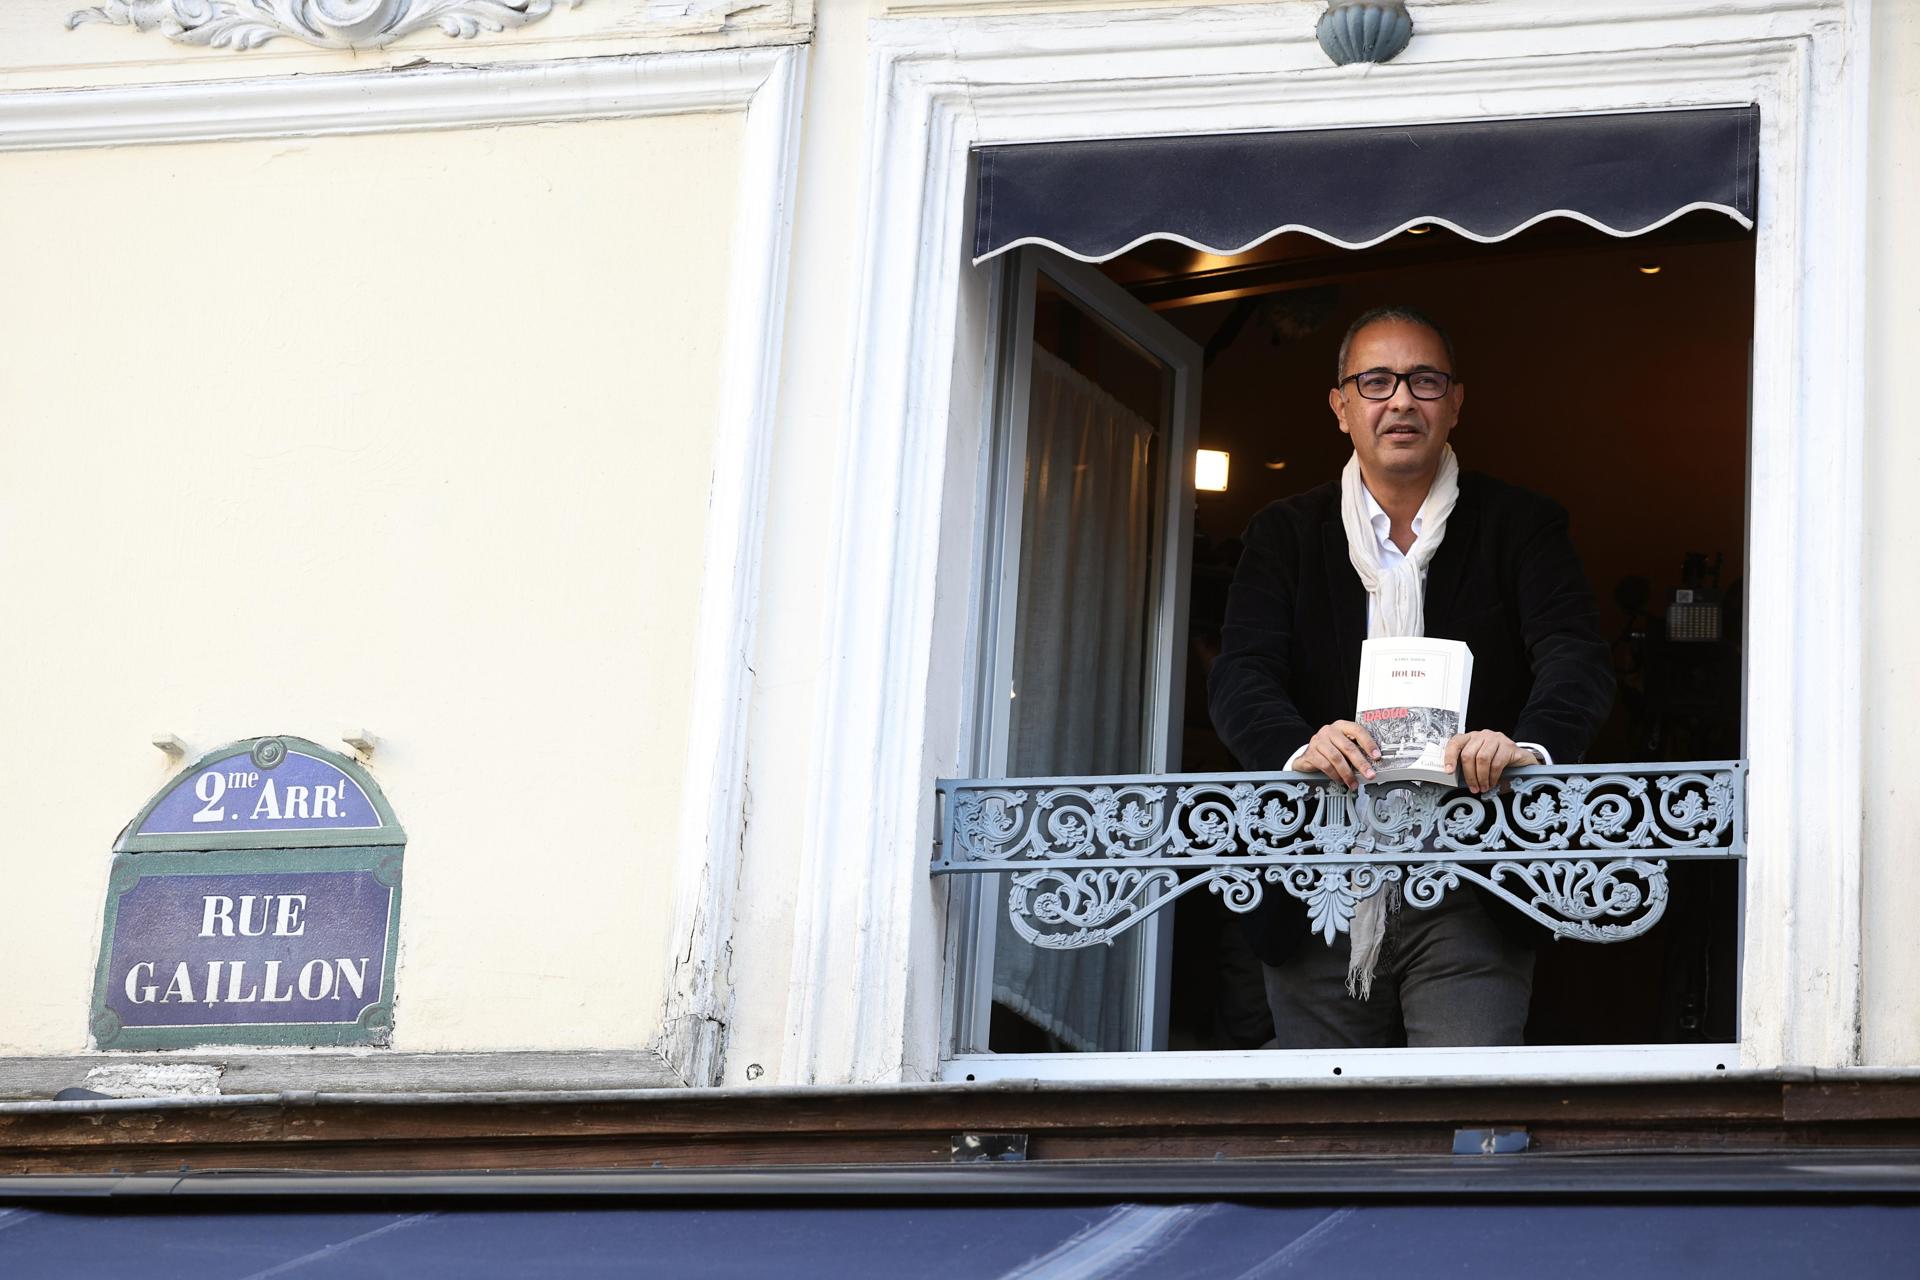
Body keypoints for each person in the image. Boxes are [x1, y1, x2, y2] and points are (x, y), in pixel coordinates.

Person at [1207, 305, 1614, 1049]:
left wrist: (1526, 747)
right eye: (1376, 381)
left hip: (1475, 871)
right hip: (1317, 880)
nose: (1401, 400)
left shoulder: (1521, 525)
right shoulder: (1284, 534)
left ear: (1455, 403)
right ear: (1341, 408)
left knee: (1470, 1112)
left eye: (1424, 381)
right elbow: (1241, 676)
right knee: (1326, 1133)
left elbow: (1575, 658)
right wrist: (1302, 748)